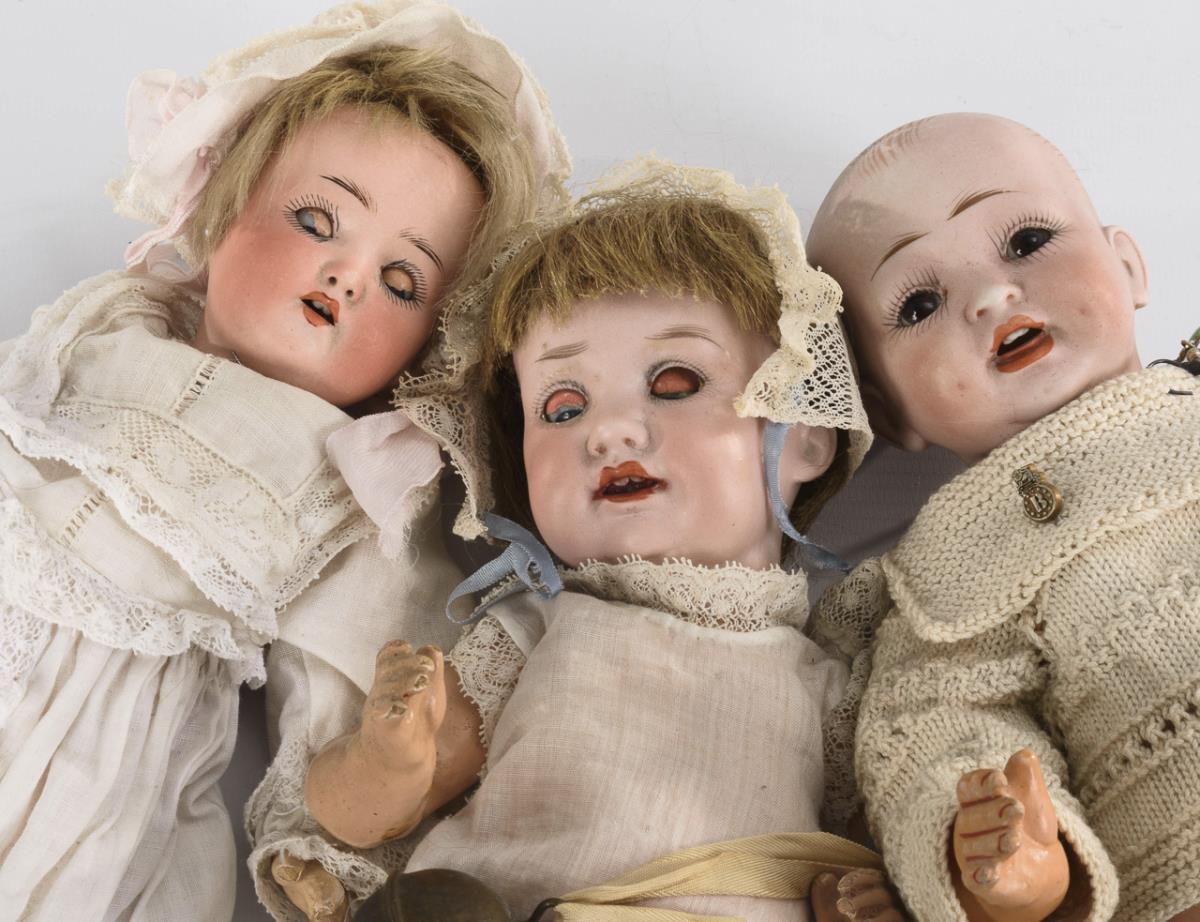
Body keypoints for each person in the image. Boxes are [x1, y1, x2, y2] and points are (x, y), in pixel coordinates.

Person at [0, 3, 568, 920]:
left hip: (96, 764)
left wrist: (384, 761)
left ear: (429, 347)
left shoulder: (356, 479)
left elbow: (350, 707)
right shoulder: (101, 324)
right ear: (222, 205)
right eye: (316, 218)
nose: (348, 275)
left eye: (402, 281)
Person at [300, 159, 910, 922]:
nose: (611, 430)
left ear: (807, 436)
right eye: (563, 407)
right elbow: (355, 820)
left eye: (675, 382)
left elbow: (895, 841)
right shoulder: (534, 629)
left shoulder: (828, 682)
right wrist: (389, 759)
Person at [806, 112, 1199, 922]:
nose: (989, 296)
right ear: (886, 410)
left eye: (1026, 242)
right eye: (920, 303)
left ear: (1128, 266)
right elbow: (937, 731)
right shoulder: (948, 579)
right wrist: (1000, 855)